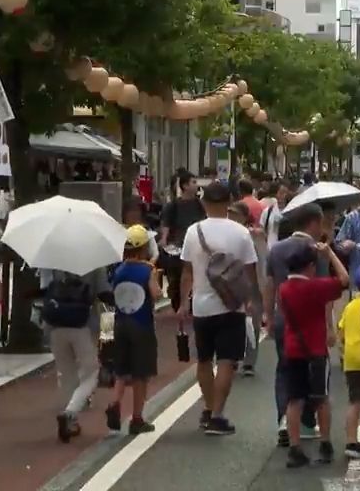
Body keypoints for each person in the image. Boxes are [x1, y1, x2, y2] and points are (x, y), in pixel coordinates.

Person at [179, 181, 259, 436]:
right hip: (231, 306)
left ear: (204, 202)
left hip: (201, 305)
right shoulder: (240, 233)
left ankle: (208, 406)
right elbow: (250, 271)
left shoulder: (193, 232)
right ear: (229, 203)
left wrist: (183, 302)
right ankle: (216, 414)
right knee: (227, 360)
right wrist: (252, 298)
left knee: (203, 360)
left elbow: (186, 272)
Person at [265, 204, 333, 446]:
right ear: (313, 223)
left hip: (285, 315)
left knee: (285, 368)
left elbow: (270, 285)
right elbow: (325, 291)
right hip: (311, 320)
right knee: (314, 372)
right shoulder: (316, 251)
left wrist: (269, 316)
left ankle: (284, 419)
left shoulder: (276, 249)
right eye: (322, 223)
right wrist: (330, 326)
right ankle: (305, 422)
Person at [280, 240, 349, 468]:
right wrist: (330, 255)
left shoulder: (284, 289)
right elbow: (344, 280)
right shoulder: (315, 287)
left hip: (293, 349)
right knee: (321, 398)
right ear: (309, 266)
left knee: (295, 400)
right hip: (316, 350)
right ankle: (325, 443)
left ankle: (294, 447)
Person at [39, 264, 111, 443]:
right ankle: (70, 413)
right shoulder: (94, 260)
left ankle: (71, 421)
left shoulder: (52, 260)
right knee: (91, 373)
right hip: (83, 325)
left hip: (55, 324)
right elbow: (103, 292)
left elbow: (44, 288)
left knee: (66, 374)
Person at [105, 225, 161, 435]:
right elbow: (155, 294)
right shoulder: (148, 269)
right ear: (144, 246)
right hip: (141, 324)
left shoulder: (118, 270)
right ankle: (137, 418)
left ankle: (114, 403)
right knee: (140, 374)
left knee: (121, 370)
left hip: (120, 324)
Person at [338, 266, 360, 459]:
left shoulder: (350, 306)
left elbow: (341, 331)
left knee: (355, 401)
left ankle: (351, 441)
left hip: (352, 358)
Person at [160, 172, 206, 314]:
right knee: (177, 275)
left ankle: (190, 301)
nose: (196, 185)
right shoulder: (173, 205)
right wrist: (164, 239)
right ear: (185, 186)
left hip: (196, 244)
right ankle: (177, 300)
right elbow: (166, 224)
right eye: (193, 182)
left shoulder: (199, 204)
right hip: (177, 246)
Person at [228, 201, 261, 377]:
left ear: (244, 217)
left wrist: (257, 288)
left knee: (252, 323)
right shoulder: (226, 234)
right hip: (229, 283)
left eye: (235, 214)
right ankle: (232, 357)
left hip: (250, 282)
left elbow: (258, 262)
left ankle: (249, 362)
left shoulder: (252, 235)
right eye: (229, 214)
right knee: (232, 321)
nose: (231, 217)